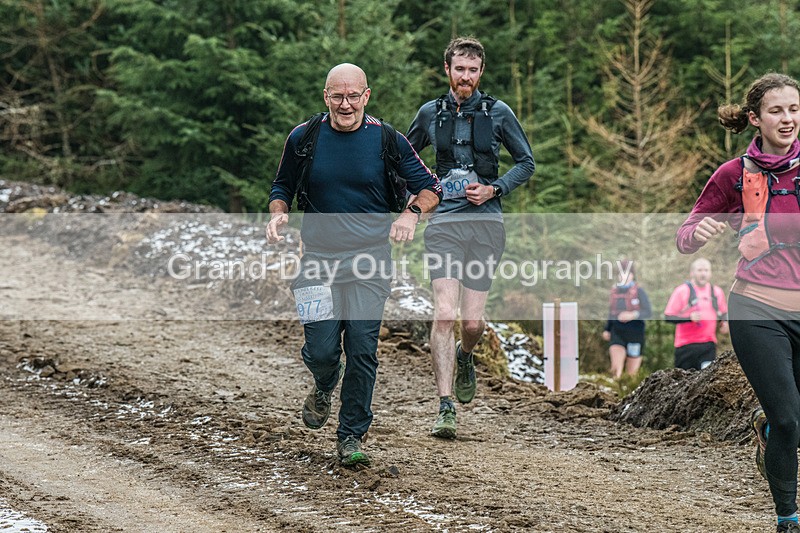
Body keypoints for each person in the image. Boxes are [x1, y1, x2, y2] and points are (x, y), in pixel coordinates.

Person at [266, 63, 441, 467]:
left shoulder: (387, 139)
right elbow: (282, 186)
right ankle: (325, 380)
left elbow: (431, 187)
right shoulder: (304, 137)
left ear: (366, 96)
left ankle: (351, 435)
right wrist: (278, 213)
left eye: (352, 96)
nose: (345, 105)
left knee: (362, 349)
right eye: (337, 96)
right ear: (325, 96)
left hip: (370, 262)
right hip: (316, 262)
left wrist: (411, 213)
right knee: (322, 351)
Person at [676, 73, 800, 532]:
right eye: (776, 111)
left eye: (794, 109)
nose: (787, 119)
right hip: (757, 309)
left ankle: (765, 430)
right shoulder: (733, 175)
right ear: (754, 118)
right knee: (788, 420)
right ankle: (787, 517)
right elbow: (685, 235)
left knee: (791, 421)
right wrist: (700, 232)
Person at [406, 36, 535, 439]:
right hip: (443, 223)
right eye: (459, 69)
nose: (465, 77)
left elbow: (526, 162)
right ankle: (445, 406)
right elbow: (403, 160)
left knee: (472, 323)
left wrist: (495, 188)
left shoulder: (498, 113)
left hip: (485, 225)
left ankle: (466, 355)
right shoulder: (430, 113)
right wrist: (414, 201)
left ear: (481, 72)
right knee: (445, 314)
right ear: (447, 69)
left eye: (472, 70)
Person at [663, 258, 729, 370]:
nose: (703, 274)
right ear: (692, 273)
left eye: (706, 270)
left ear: (710, 273)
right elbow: (668, 317)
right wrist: (689, 318)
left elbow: (724, 312)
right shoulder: (682, 291)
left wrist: (725, 322)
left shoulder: (716, 292)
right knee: (685, 379)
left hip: (708, 345)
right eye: (700, 270)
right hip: (685, 346)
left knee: (707, 377)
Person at [602, 260, 652, 378]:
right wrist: (607, 329)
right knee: (616, 370)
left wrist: (633, 315)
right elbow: (611, 312)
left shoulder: (639, 291)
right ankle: (615, 387)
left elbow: (648, 312)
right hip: (617, 332)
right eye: (621, 274)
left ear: (632, 275)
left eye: (627, 273)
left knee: (632, 374)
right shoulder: (614, 292)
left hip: (635, 334)